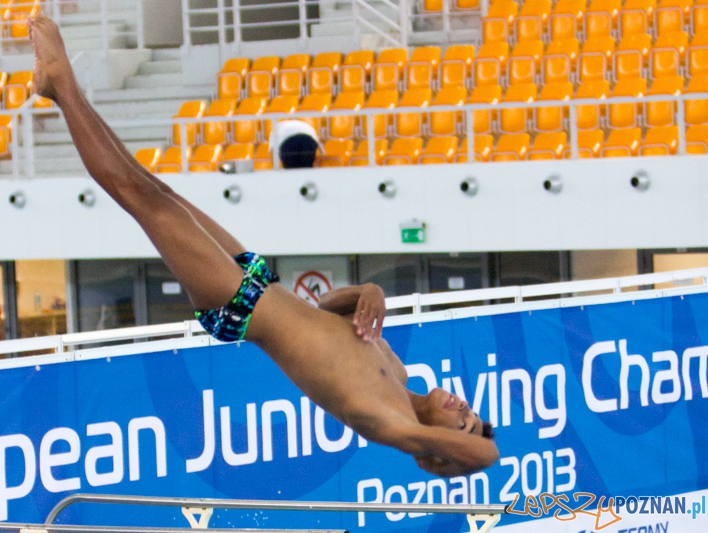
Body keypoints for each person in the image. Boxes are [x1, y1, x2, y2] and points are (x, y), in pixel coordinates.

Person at [28, 15, 499, 477]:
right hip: (261, 283)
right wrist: (365, 292)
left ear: (438, 454)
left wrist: (465, 446)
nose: (463, 409)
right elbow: (321, 309)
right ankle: (60, 87)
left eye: (462, 424)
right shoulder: (396, 374)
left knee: (139, 198)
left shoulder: (392, 426)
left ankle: (62, 86)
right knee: (158, 191)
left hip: (239, 306)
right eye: (472, 413)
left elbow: (487, 458)